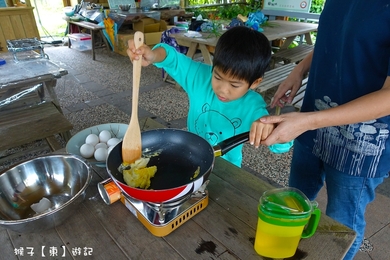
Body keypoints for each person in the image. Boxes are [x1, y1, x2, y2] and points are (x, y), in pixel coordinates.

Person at [258, 1, 390, 259]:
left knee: (341, 224)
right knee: (294, 201)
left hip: (360, 143)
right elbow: (334, 38)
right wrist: (299, 70)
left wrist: (307, 121)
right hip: (313, 123)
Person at [127, 26, 287, 168]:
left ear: (254, 83)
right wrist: (153, 55)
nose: (222, 90)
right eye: (217, 77)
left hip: (227, 168)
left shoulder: (253, 107)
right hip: (190, 156)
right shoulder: (200, 77)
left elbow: (280, 145)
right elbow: (172, 59)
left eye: (234, 85)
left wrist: (270, 128)